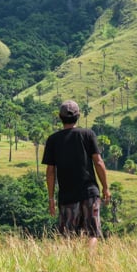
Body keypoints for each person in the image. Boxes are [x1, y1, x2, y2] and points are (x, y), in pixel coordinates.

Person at [42, 100, 111, 244]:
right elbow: (98, 162)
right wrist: (105, 187)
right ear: (78, 116)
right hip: (89, 193)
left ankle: (70, 265)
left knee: (66, 237)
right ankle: (89, 264)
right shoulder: (88, 134)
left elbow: (50, 172)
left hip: (67, 196)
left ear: (60, 117)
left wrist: (51, 198)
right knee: (92, 233)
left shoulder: (53, 140)